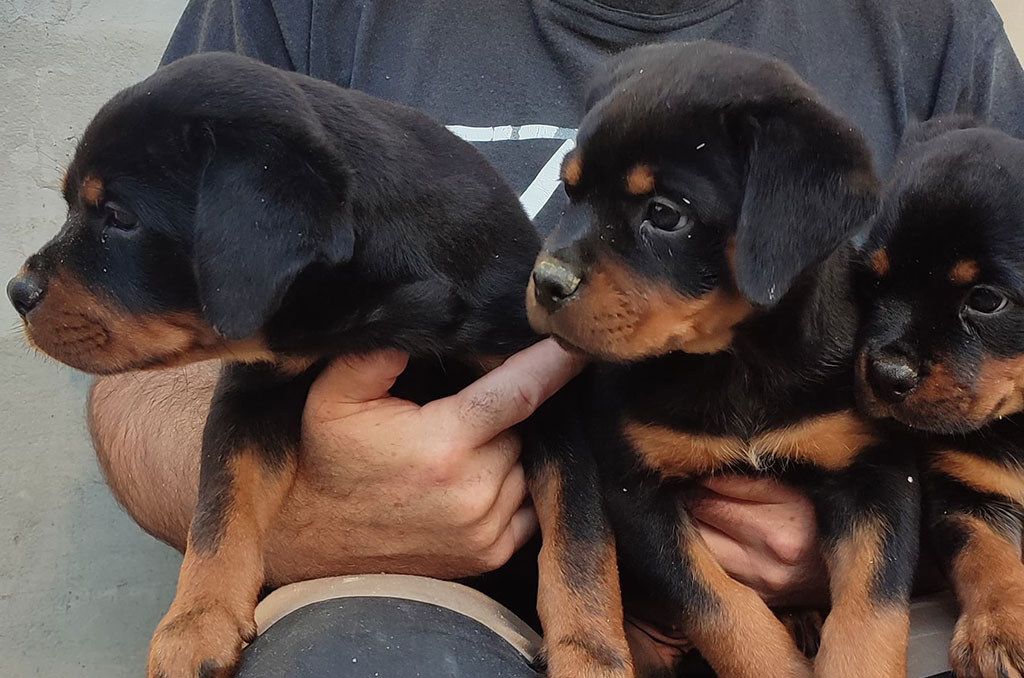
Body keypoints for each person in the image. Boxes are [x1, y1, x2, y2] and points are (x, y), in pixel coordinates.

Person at [89, 1, 1024, 675]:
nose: (557, 265)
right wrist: (308, 519)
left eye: (660, 213)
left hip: (895, 600)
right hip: (438, 605)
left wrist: (900, 559)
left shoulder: (931, 25)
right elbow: (136, 363)